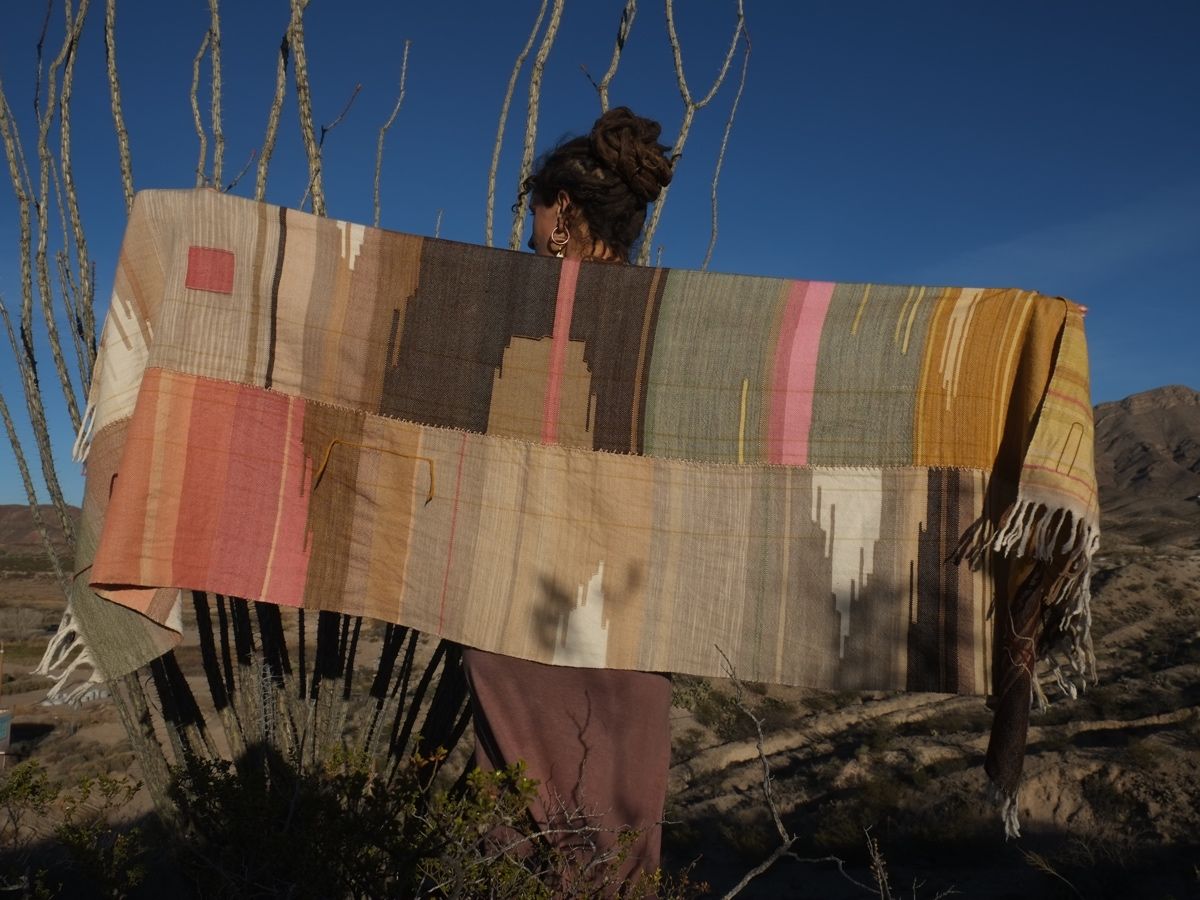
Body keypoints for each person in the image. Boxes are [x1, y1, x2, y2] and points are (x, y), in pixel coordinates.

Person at [460, 107, 675, 893]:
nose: (527, 233)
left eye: (534, 213)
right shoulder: (674, 330)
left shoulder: (503, 317)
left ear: (562, 215)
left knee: (525, 848)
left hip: (527, 624)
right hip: (639, 635)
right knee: (618, 854)